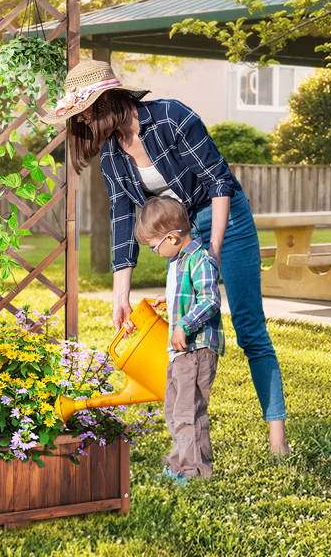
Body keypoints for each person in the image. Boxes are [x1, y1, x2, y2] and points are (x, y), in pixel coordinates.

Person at [41, 60, 290, 455]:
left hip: (224, 218)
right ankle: (191, 437)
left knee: (248, 327)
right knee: (185, 337)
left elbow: (219, 182)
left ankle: (278, 437)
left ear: (107, 100)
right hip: (177, 236)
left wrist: (210, 251)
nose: (84, 121)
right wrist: (119, 297)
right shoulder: (113, 157)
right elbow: (123, 220)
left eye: (85, 111)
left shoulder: (172, 118)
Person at [134, 196, 225, 485]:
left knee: (189, 411)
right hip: (180, 353)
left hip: (196, 349)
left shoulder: (201, 259)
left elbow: (210, 299)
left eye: (153, 247)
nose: (154, 252)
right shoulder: (179, 259)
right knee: (174, 410)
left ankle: (195, 472)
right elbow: (188, 294)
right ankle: (178, 465)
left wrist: (184, 325)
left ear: (172, 237)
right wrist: (169, 301)